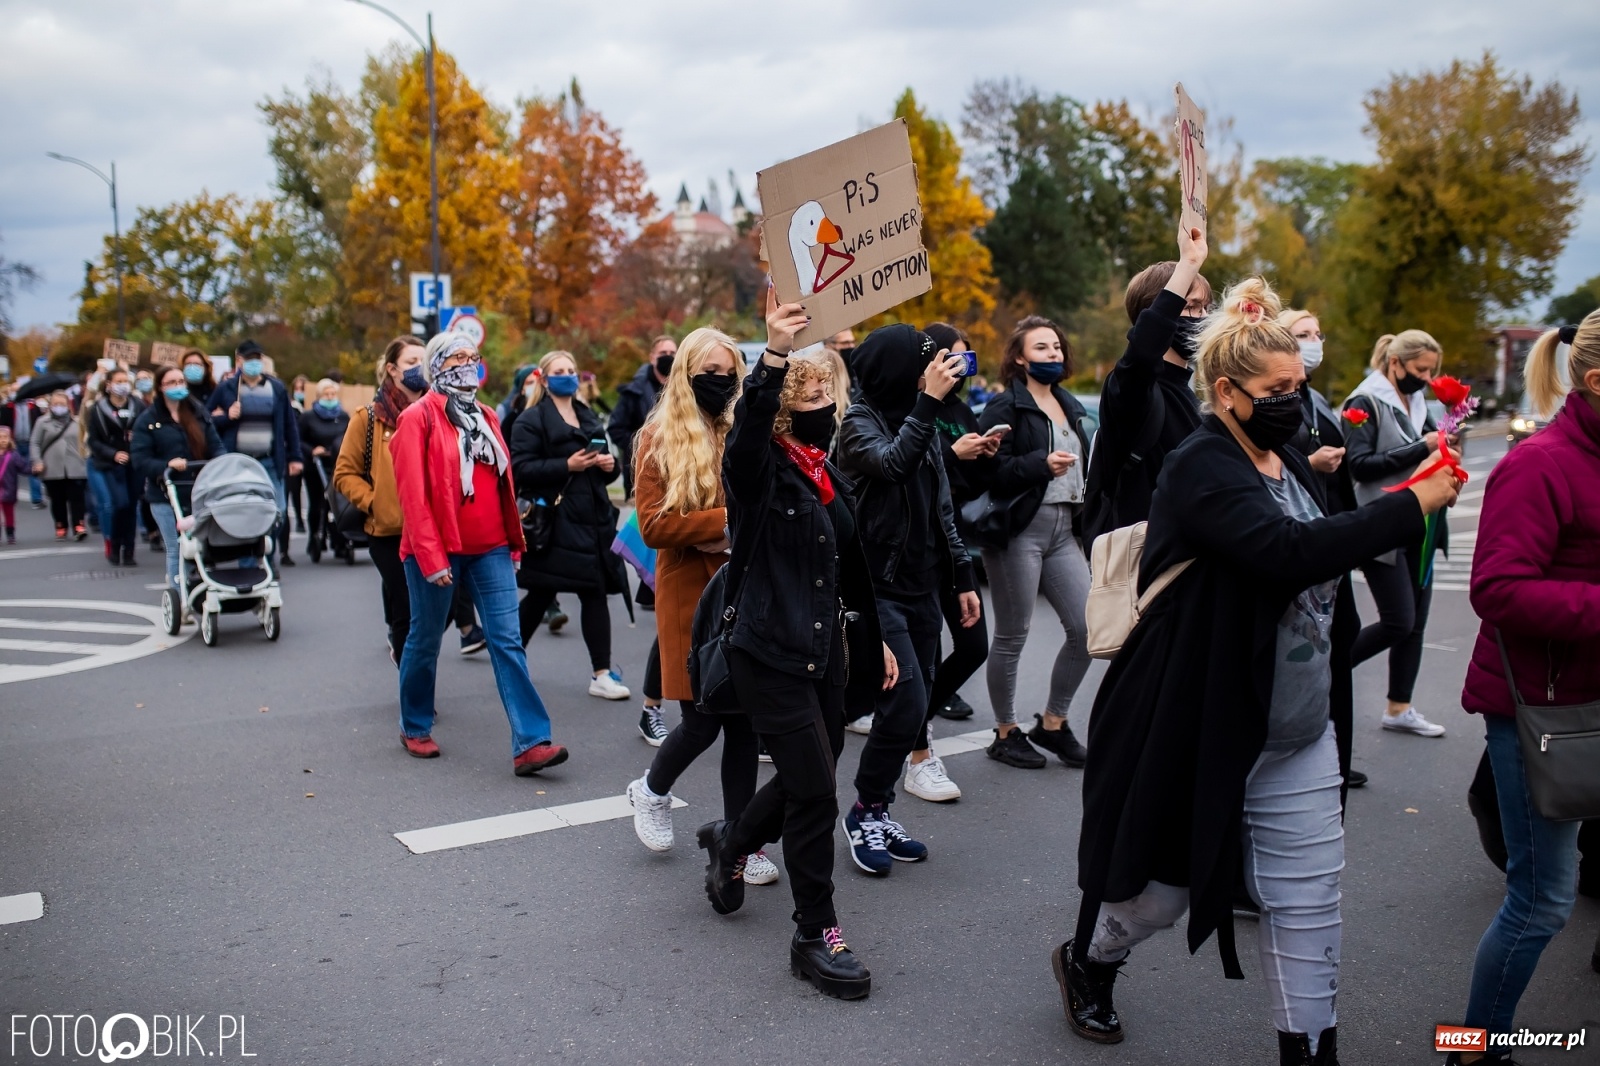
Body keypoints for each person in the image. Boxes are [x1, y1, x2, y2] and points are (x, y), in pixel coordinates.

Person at [1059, 274, 1461, 1065]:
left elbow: (1325, 541)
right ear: (1227, 392)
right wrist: (1413, 503)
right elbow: (1285, 553)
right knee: (1158, 896)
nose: (1292, 399)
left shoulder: (1291, 462)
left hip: (1297, 724)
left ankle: (1308, 1049)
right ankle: (1091, 960)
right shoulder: (1200, 464)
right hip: (1203, 718)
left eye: (1300, 385)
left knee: (1307, 902)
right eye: (1276, 389)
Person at [694, 295, 889, 1000]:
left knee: (816, 767)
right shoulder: (758, 467)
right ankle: (816, 933)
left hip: (826, 648)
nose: (818, 400)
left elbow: (849, 566)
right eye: (804, 393)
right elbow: (746, 433)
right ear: (779, 404)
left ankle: (733, 841)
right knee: (814, 789)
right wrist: (774, 356)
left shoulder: (822, 468)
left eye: (822, 389)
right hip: (768, 648)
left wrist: (880, 640)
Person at [1443, 313, 1600, 1064]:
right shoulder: (1541, 463)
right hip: (1547, 714)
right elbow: (1498, 590)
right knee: (1540, 903)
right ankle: (1474, 1046)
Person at [623, 327, 775, 885]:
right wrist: (725, 525)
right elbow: (656, 525)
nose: (721, 382)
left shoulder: (741, 429)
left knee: (744, 724)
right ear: (686, 375)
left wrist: (730, 533)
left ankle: (741, 837)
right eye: (709, 372)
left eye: (729, 372)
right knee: (703, 718)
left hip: (743, 588)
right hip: (690, 593)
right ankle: (652, 790)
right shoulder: (658, 437)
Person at [388, 331, 567, 775]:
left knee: (507, 641)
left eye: (472, 357)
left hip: (490, 547)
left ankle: (531, 742)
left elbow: (503, 485)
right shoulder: (418, 418)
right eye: (455, 359)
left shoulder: (486, 414)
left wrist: (513, 541)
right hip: (438, 550)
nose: (467, 365)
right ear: (436, 367)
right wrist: (431, 558)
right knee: (425, 639)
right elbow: (413, 497)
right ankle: (414, 725)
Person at [835, 323, 979, 866]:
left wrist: (961, 576)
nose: (935, 372)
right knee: (906, 705)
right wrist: (927, 405)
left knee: (910, 711)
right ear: (899, 371)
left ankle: (874, 810)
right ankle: (861, 813)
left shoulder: (924, 418)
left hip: (923, 584)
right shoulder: (857, 422)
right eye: (926, 363)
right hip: (876, 589)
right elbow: (893, 464)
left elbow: (941, 504)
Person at [976, 316, 1097, 772]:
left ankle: (1053, 722)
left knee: (1087, 630)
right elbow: (986, 472)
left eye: (1057, 348)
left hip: (1065, 530)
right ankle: (1005, 733)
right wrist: (1039, 465)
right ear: (1020, 358)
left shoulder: (1071, 406)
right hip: (1019, 530)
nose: (1053, 354)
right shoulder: (1004, 407)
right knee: (1013, 634)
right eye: (1042, 349)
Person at [1342, 329, 1452, 738]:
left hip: (1419, 525)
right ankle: (1331, 669)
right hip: (1382, 525)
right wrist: (1422, 447)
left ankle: (1399, 707)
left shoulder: (1418, 402)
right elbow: (1361, 465)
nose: (1426, 378)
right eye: (1420, 369)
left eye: (1431, 371)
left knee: (1415, 624)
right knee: (1398, 621)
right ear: (1396, 362)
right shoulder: (1364, 401)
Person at [1278, 308, 1366, 797]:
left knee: (1341, 639)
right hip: (1303, 540)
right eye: (1302, 334)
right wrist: (1310, 463)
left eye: (1317, 333)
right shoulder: (1278, 401)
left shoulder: (1317, 399)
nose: (1314, 342)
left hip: (1331, 537)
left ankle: (1335, 755)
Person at [510, 350, 630, 699]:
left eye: (572, 370)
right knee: (542, 592)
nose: (567, 375)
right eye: (559, 371)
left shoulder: (587, 415)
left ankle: (601, 674)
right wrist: (567, 465)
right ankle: (510, 659)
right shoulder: (530, 420)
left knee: (593, 591)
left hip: (593, 521)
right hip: (556, 522)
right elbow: (520, 471)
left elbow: (608, 474)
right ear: (544, 380)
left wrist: (610, 466)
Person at [1081, 226, 1211, 543]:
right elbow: (1140, 355)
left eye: (1207, 307)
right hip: (1145, 563)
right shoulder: (1132, 391)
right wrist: (1187, 267)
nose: (1204, 317)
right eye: (1191, 307)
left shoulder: (1196, 398)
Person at [921, 322, 997, 736]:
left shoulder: (961, 409)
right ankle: (914, 733)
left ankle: (919, 713)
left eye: (968, 357)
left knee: (972, 647)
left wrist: (985, 455)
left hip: (954, 540)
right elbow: (909, 474)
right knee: (926, 648)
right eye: (955, 356)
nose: (963, 366)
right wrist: (952, 453)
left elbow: (973, 485)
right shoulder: (915, 406)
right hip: (918, 543)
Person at [337, 337, 423, 664]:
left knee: (439, 613)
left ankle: (413, 664)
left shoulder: (440, 412)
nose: (420, 368)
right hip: (389, 533)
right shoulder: (369, 418)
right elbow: (344, 473)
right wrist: (376, 502)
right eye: (412, 361)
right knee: (406, 611)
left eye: (424, 361)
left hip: (434, 530)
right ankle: (413, 692)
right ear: (392, 369)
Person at [209, 340, 303, 567]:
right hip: (238, 462)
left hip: (269, 461)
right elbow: (206, 420)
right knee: (244, 514)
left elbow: (289, 425)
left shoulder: (276, 388)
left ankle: (266, 555)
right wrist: (225, 416)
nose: (253, 363)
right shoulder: (227, 389)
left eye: (257, 359)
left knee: (277, 511)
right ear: (238, 360)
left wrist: (295, 456)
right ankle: (248, 564)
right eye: (248, 359)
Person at [130, 366, 224, 591]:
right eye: (171, 382)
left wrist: (220, 463)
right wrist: (166, 465)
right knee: (176, 547)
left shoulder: (198, 413)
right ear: (161, 388)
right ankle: (178, 592)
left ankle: (202, 587)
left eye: (181, 381)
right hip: (165, 494)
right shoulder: (148, 420)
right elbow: (140, 459)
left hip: (198, 491)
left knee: (201, 545)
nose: (178, 386)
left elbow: (216, 445)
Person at [84, 366, 145, 565]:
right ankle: (115, 544)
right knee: (120, 504)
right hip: (110, 465)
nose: (123, 385)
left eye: (125, 381)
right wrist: (113, 454)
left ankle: (129, 550)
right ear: (109, 385)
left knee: (131, 506)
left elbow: (146, 430)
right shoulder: (98, 409)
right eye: (118, 381)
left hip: (134, 464)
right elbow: (93, 441)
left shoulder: (138, 405)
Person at [609, 335, 677, 499]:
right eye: (663, 352)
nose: (668, 356)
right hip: (641, 475)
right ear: (652, 357)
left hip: (677, 474)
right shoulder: (634, 392)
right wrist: (644, 446)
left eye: (672, 352)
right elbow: (616, 428)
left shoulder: (686, 388)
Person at [299, 378, 351, 560]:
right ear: (319, 396)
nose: (330, 397)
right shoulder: (308, 417)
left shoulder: (344, 416)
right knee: (317, 503)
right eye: (326, 394)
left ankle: (341, 540)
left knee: (340, 503)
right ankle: (315, 538)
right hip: (316, 465)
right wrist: (312, 450)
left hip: (338, 464)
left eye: (333, 394)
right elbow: (299, 439)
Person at [30, 390, 88, 540]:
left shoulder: (77, 421)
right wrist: (37, 461)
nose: (59, 407)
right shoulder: (42, 422)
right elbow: (35, 443)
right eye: (55, 404)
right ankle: (60, 525)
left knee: (77, 498)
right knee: (57, 499)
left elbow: (85, 441)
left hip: (75, 466)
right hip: (52, 467)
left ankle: (79, 525)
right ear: (50, 406)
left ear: (68, 405)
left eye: (62, 404)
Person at [287, 374, 312, 533]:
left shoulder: (312, 410)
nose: (299, 392)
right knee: (294, 488)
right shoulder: (292, 408)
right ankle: (299, 520)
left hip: (309, 455)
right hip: (297, 452)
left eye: (302, 389)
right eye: (297, 389)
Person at [0, 426, 20, 543]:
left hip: (9, 489)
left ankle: (10, 533)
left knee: (9, 513)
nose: (2, 440)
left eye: (5, 437)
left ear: (10, 439)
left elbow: (22, 466)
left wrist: (33, 470)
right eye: (0, 437)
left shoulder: (13, 455)